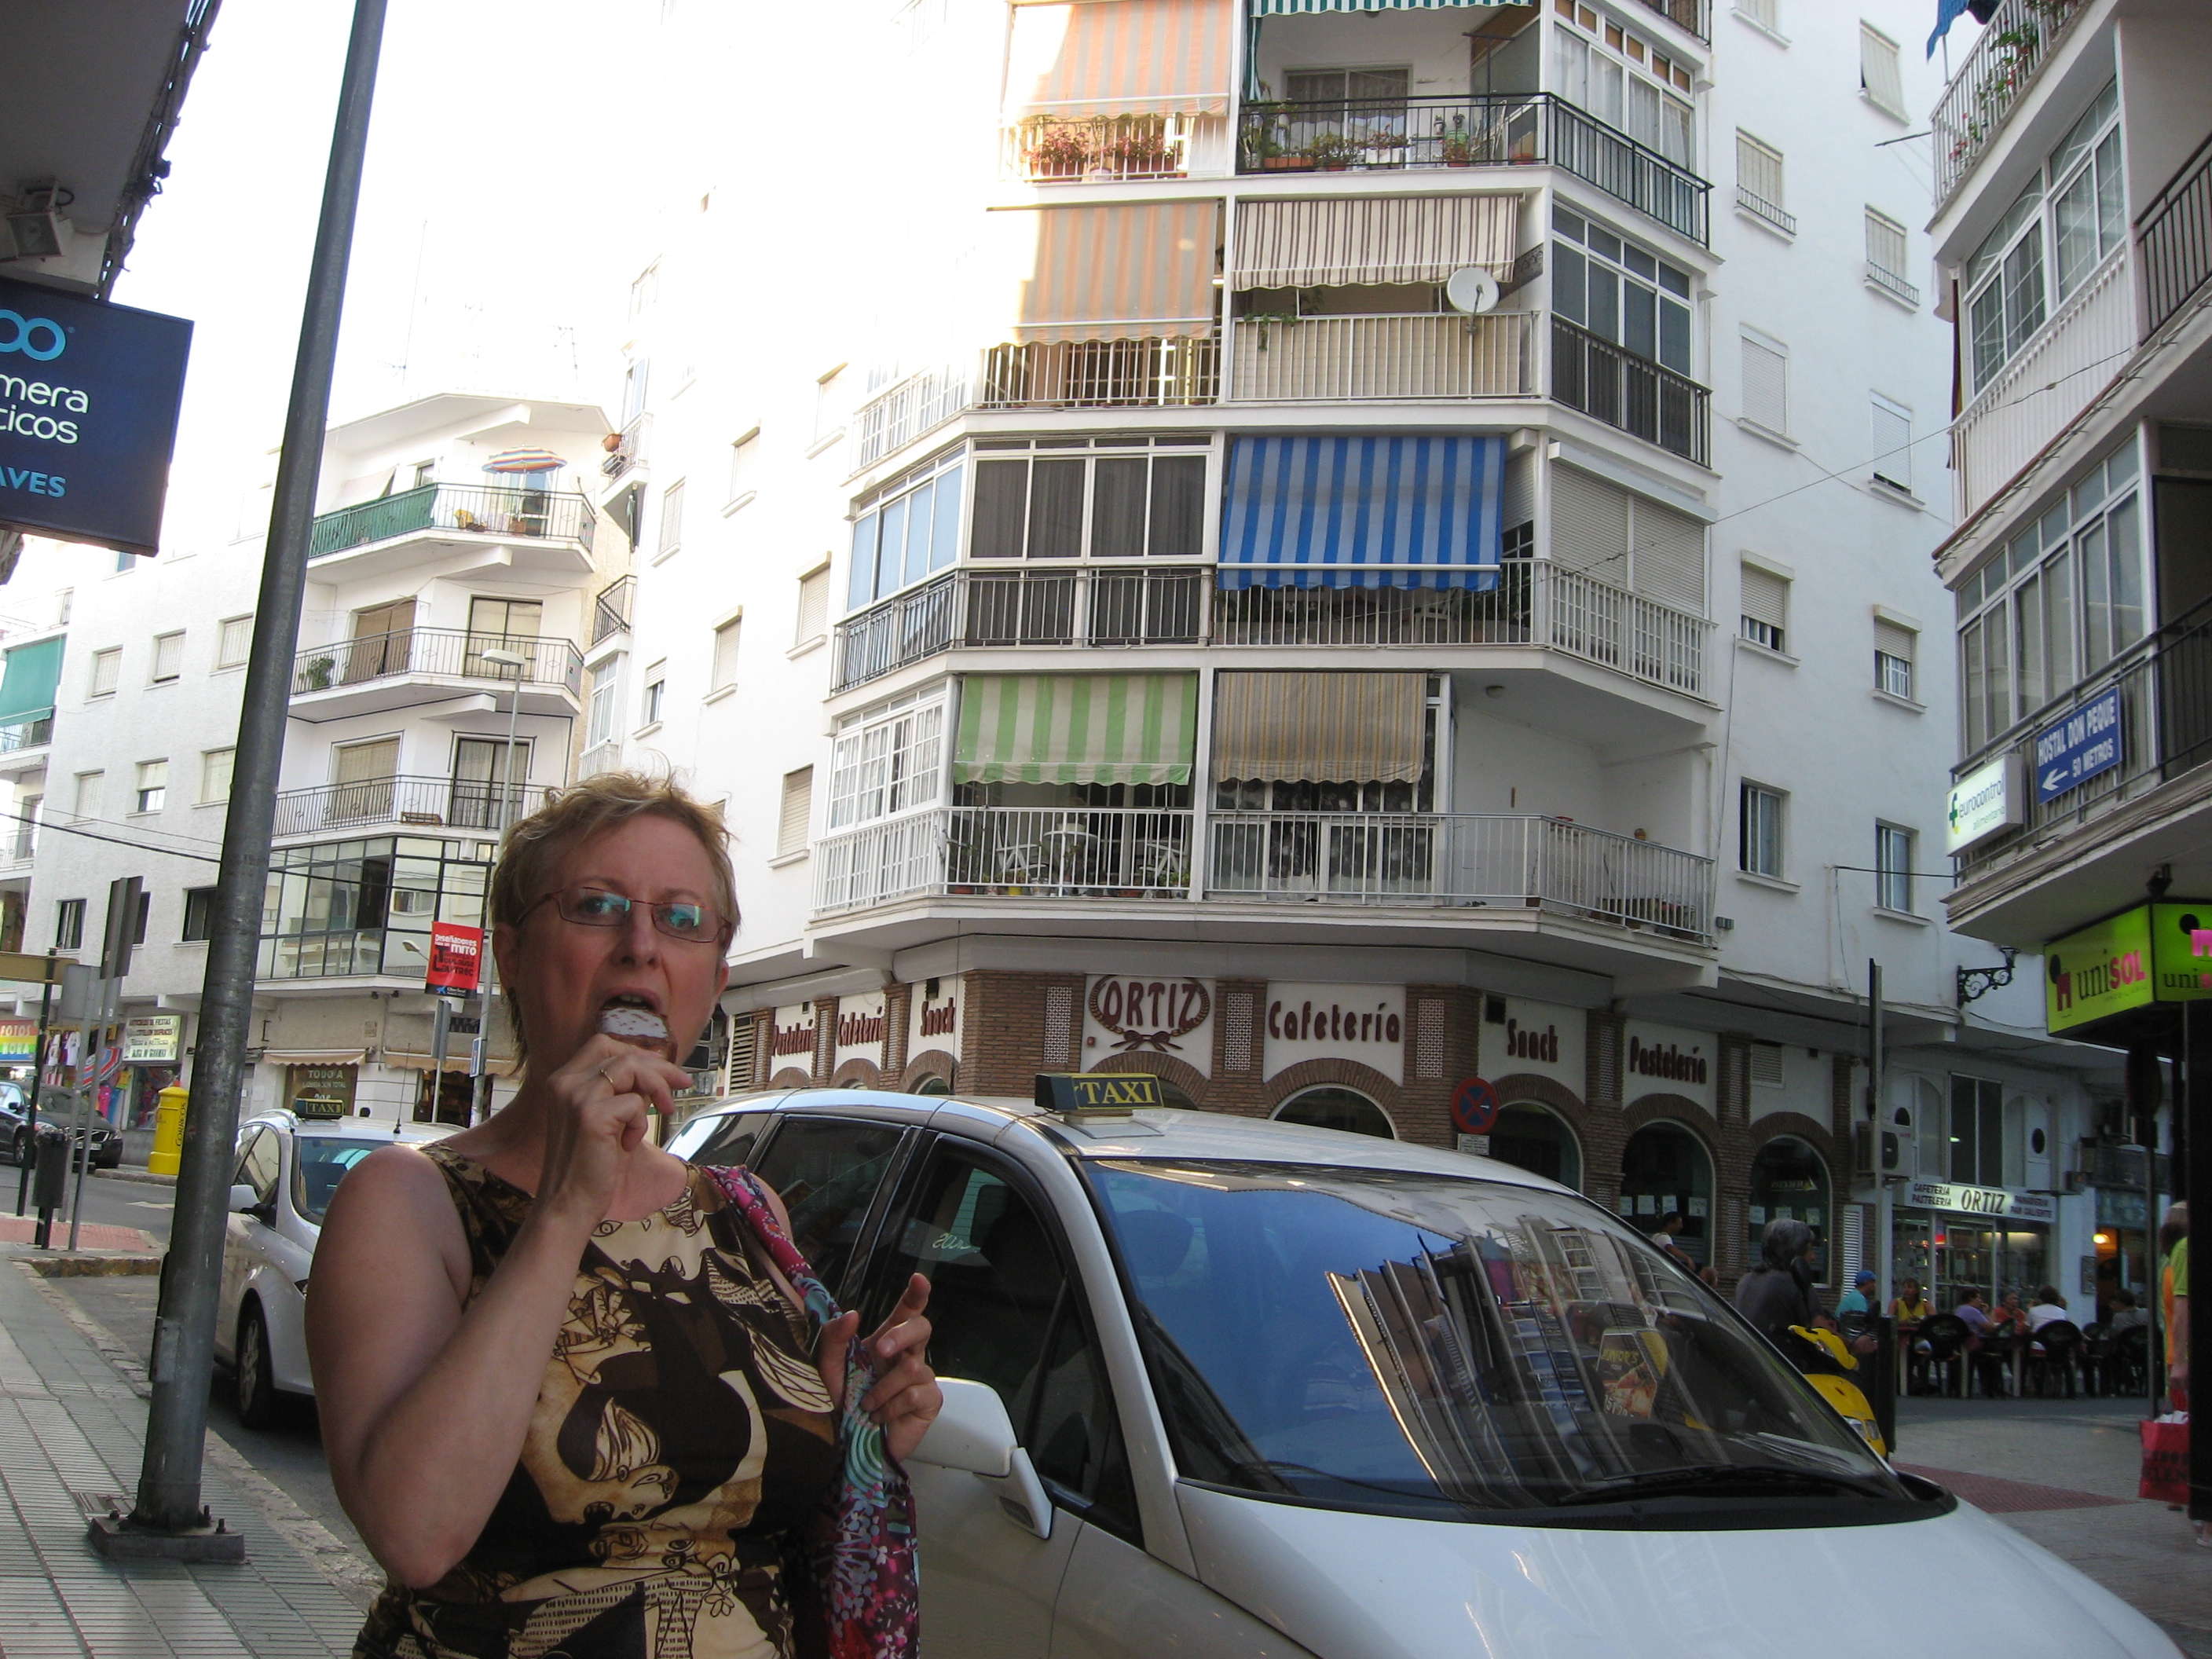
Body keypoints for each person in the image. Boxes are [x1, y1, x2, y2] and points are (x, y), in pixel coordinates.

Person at [306, 774, 944, 1659]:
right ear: (511, 954)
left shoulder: (745, 1212)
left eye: (681, 920)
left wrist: (859, 1429)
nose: (640, 947)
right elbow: (414, 1534)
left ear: (712, 981)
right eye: (596, 906)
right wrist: (566, 1204)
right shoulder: (406, 1201)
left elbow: (770, 1533)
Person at [1734, 1218, 1822, 1342]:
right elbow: (1821, 1331)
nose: (1814, 1257)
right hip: (1781, 1354)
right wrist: (1849, 1344)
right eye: (1810, 1249)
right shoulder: (1797, 1283)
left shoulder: (1745, 1281)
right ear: (1794, 1253)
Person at [1892, 1277, 1934, 1394]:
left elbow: (1934, 1320)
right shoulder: (1896, 1303)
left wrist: (1923, 1322)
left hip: (1920, 1339)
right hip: (1900, 1340)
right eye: (1905, 1287)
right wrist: (1904, 1322)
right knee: (1907, 1350)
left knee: (1920, 1348)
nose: (1906, 1290)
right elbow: (1890, 1321)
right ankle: (1905, 1383)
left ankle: (1919, 1383)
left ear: (1917, 1290)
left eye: (1910, 1287)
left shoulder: (1925, 1304)